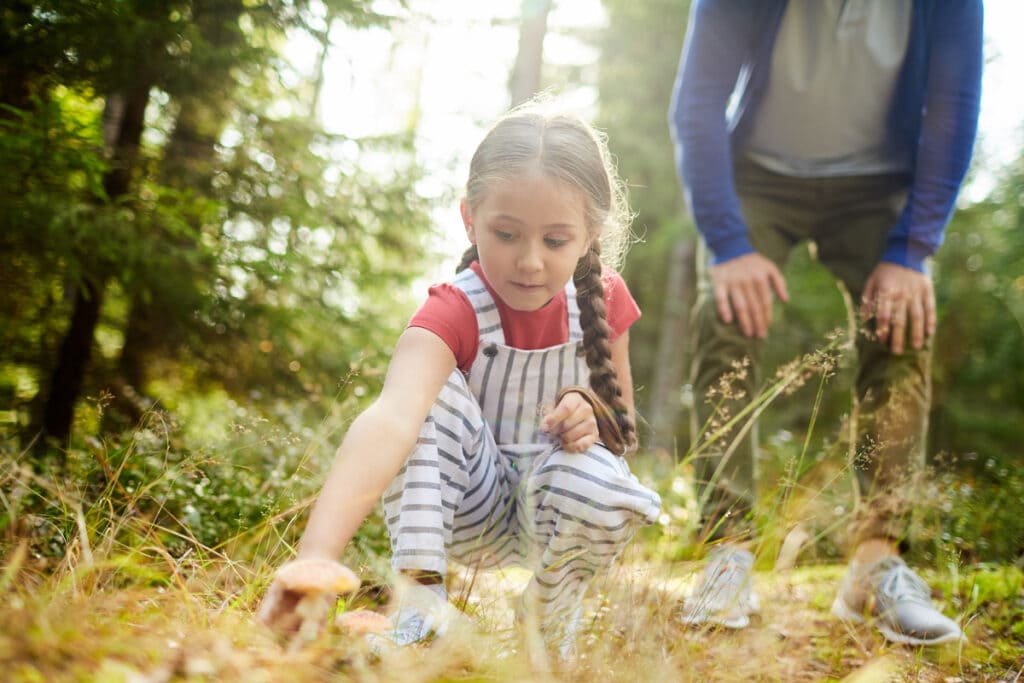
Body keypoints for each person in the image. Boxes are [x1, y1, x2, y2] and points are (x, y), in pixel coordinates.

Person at [258, 106, 661, 658]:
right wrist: (315, 561)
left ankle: (545, 619)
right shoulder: (454, 311)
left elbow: (622, 432)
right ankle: (419, 610)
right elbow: (392, 420)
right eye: (507, 233)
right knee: (430, 398)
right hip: (470, 508)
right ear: (470, 219)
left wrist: (590, 409)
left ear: (590, 235)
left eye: (556, 240)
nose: (529, 261)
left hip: (557, 511)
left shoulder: (605, 299)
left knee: (607, 481)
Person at [668, 0, 982, 645]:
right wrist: (728, 246)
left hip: (878, 183)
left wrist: (912, 249)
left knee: (903, 323)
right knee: (727, 317)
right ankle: (727, 551)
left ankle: (875, 563)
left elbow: (953, 106)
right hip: (757, 173)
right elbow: (697, 105)